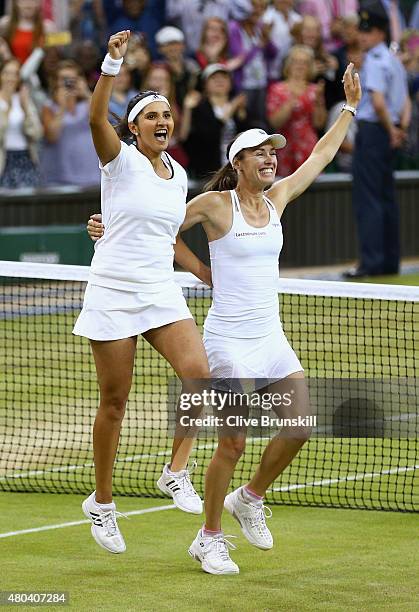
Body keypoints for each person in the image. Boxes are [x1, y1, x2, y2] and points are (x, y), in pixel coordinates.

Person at [88, 62, 362, 574]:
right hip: (228, 340)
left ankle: (249, 498)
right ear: (237, 162)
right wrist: (114, 227)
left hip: (271, 338)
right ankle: (208, 537)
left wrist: (348, 108)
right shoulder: (213, 204)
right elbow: (159, 228)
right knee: (233, 441)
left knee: (300, 426)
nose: (271, 159)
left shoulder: (278, 200)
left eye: (273, 152)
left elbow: (321, 155)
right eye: (260, 152)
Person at [74, 30, 213, 556]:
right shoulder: (119, 159)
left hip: (159, 289)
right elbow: (94, 119)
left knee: (200, 377)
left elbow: (169, 236)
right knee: (115, 401)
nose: (163, 122)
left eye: (167, 116)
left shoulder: (177, 175)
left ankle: (175, 471)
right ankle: (103, 503)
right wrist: (112, 63)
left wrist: (202, 272)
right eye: (152, 116)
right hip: (112, 290)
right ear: (133, 128)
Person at [343, 5, 410, 278]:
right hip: (389, 132)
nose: (362, 36)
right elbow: (405, 102)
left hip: (373, 131)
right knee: (386, 197)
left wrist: (388, 128)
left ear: (380, 32)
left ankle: (371, 262)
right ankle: (390, 262)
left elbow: (379, 101)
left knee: (368, 199)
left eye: (367, 32)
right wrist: (398, 129)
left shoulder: (373, 60)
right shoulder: (394, 59)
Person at [266, 45, 327, 175]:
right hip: (285, 146)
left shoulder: (315, 90)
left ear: (310, 66)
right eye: (296, 61)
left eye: (304, 62)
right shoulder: (277, 89)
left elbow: (319, 124)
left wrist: (318, 101)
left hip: (308, 146)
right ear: (289, 64)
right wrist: (289, 103)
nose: (300, 66)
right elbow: (274, 122)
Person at [39, 59, 100, 187]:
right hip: (59, 179)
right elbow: (51, 136)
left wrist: (86, 93)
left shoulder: (88, 104)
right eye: (64, 79)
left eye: (74, 79)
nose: (69, 83)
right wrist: (62, 107)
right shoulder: (49, 107)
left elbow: (102, 118)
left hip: (92, 177)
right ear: (56, 82)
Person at [181, 63, 248, 179]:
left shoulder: (239, 108)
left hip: (235, 171)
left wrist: (241, 114)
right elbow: (208, 137)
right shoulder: (198, 108)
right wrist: (230, 110)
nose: (219, 81)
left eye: (224, 77)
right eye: (214, 78)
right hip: (208, 173)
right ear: (204, 84)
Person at [0, 57, 42, 188]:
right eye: (7, 73)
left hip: (25, 157)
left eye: (15, 74)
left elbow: (37, 133)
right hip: (3, 159)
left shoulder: (23, 99)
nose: (10, 78)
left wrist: (25, 109)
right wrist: (6, 109)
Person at [155, 26, 200, 108]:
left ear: (183, 46)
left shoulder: (192, 66)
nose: (173, 48)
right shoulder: (157, 68)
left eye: (176, 44)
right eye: (168, 45)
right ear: (160, 49)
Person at [0, 0, 55, 65]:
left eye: (33, 1)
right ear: (16, 3)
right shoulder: (5, 24)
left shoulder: (48, 27)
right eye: (24, 1)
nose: (28, 5)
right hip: (12, 72)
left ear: (38, 3)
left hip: (39, 72)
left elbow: (53, 56)